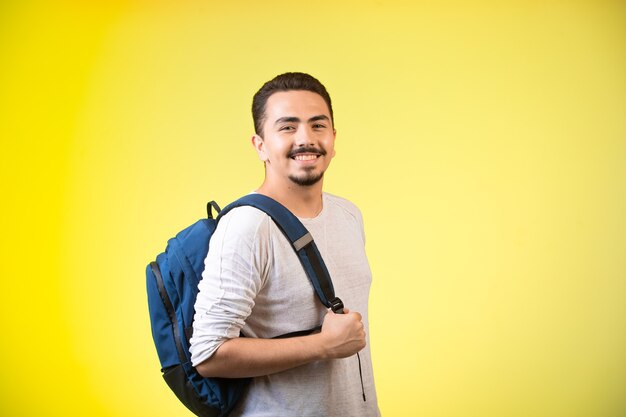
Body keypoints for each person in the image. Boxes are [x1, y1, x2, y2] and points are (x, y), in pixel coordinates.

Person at [189, 72, 379, 416]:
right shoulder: (248, 226)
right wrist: (322, 345)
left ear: (334, 139)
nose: (305, 139)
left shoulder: (348, 215)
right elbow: (208, 354)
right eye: (287, 127)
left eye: (318, 125)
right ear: (260, 145)